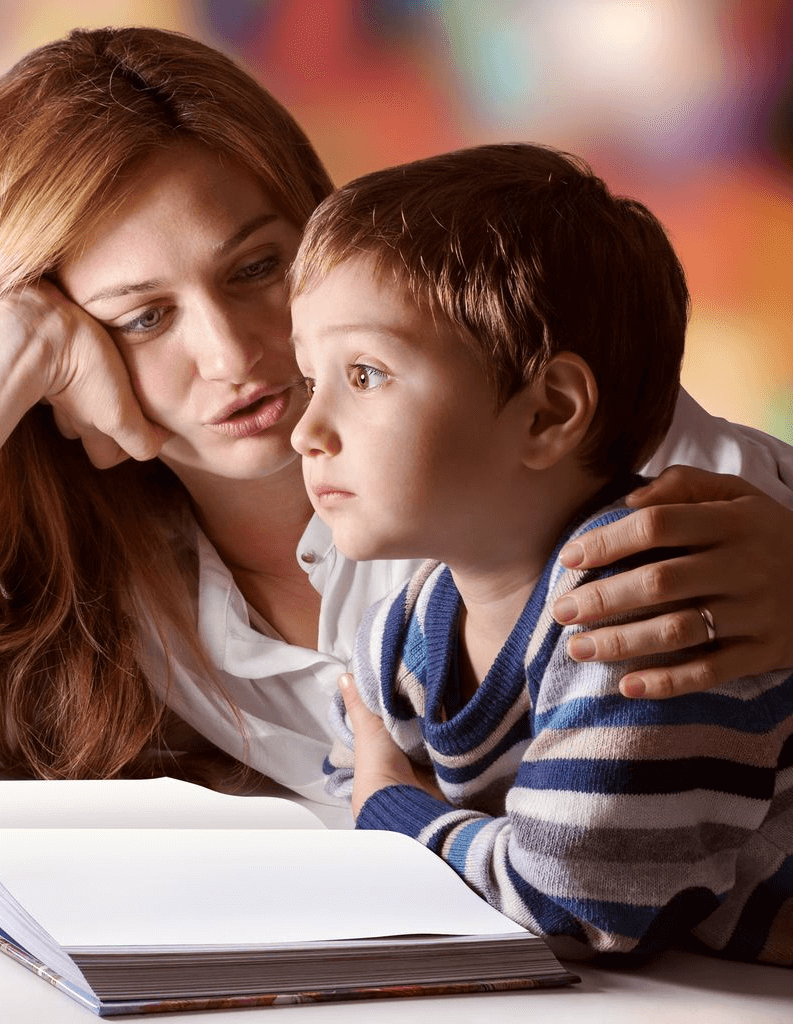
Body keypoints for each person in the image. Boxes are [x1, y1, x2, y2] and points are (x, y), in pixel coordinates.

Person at [0, 28, 791, 799]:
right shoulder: (102, 607)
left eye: (258, 266)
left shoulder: (513, 428)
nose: (232, 353)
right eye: (143, 317)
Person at [291, 144, 792, 962]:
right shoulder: (408, 625)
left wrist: (395, 811)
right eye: (311, 378)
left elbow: (575, 905)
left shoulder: (633, 608)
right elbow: (361, 766)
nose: (307, 431)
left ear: (547, 413)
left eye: (368, 374)